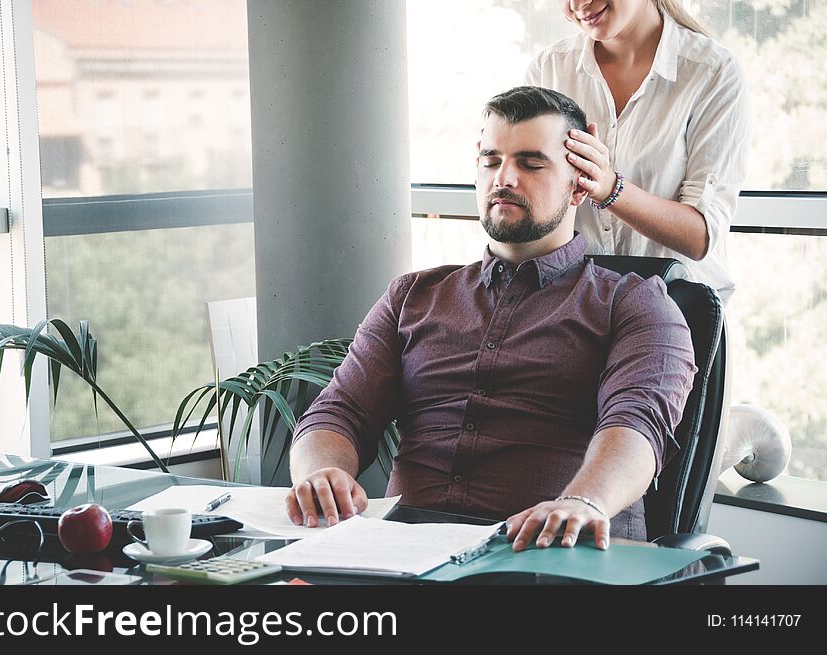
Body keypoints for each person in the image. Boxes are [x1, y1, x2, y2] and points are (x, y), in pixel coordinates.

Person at [285, 86, 696, 551]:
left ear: (579, 184)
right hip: (403, 559)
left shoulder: (636, 304)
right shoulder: (413, 296)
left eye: (530, 163)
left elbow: (637, 425)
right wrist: (321, 473)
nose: (505, 178)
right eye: (490, 160)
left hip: (550, 562)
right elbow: (341, 411)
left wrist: (587, 500)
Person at [526, 0, 750, 302]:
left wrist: (609, 188)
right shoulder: (549, 69)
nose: (578, 4)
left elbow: (700, 236)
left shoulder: (712, 73)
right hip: (572, 312)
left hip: (677, 311)